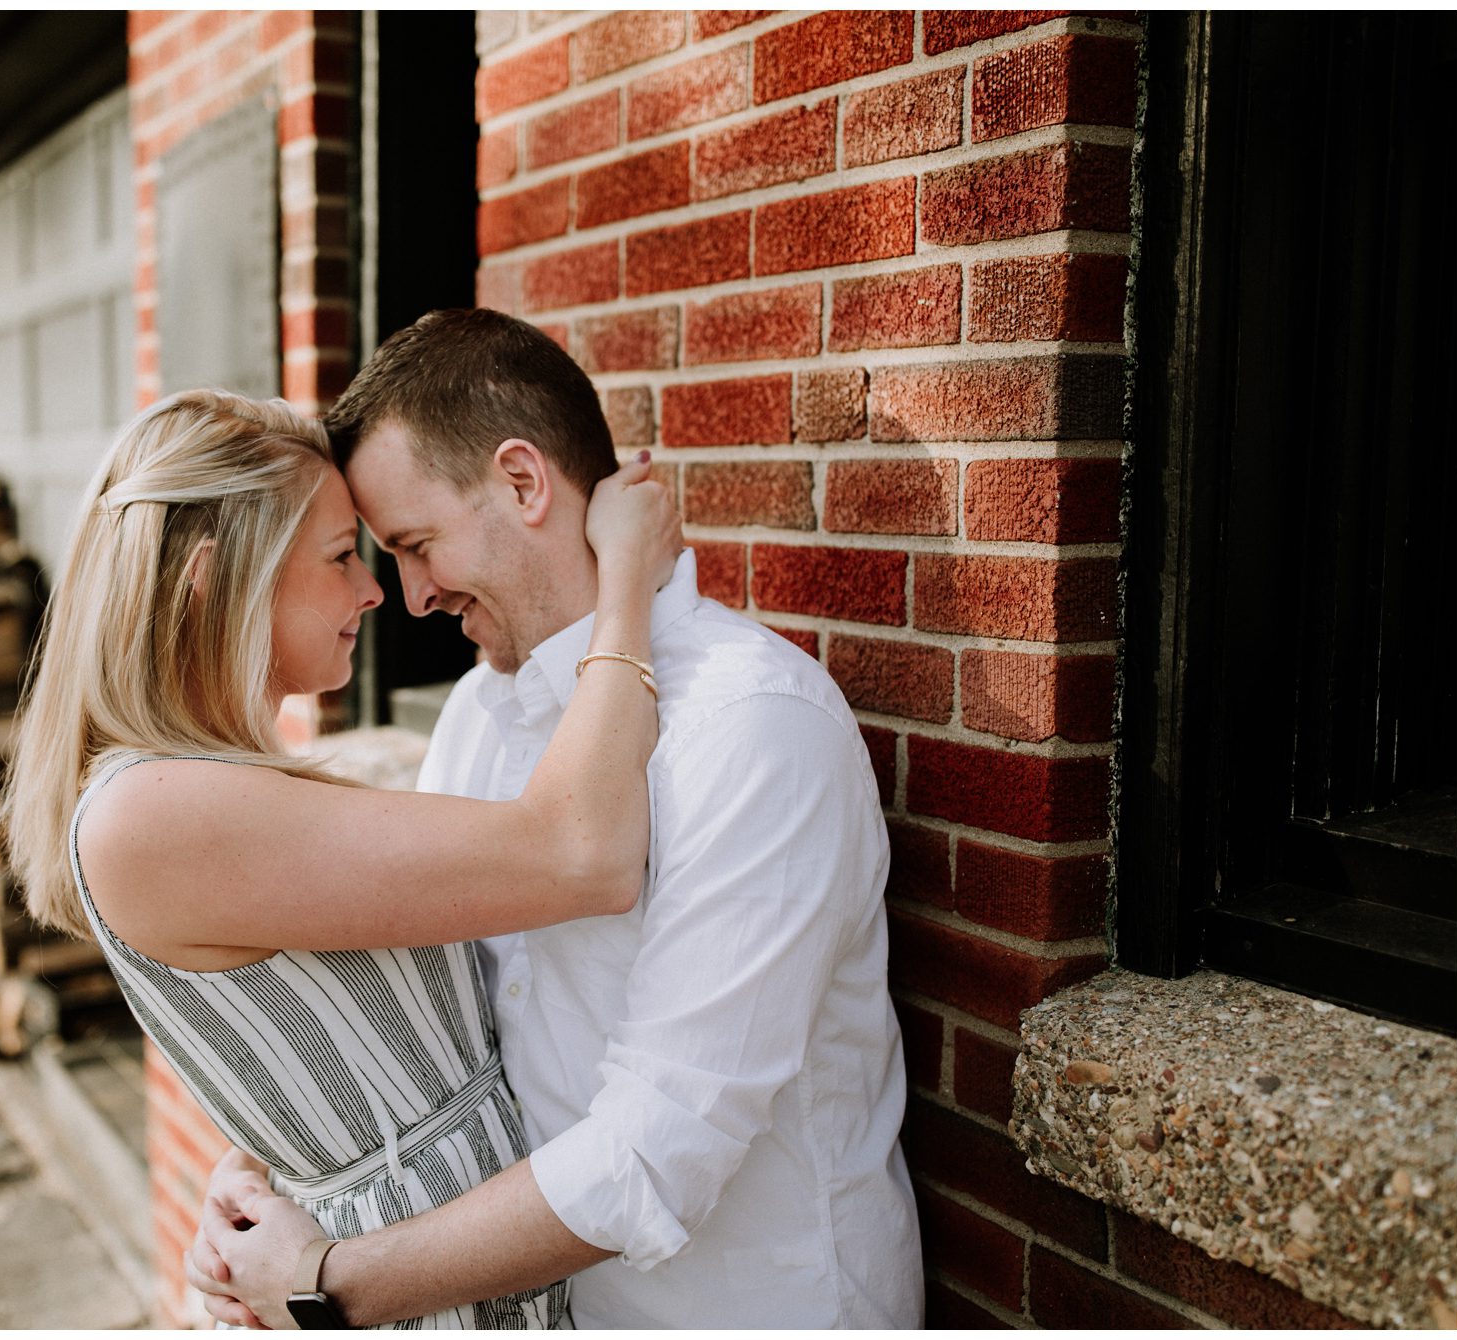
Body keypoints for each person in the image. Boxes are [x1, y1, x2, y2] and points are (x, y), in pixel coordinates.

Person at [188, 309, 923, 1328]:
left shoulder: (754, 726)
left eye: (415, 545)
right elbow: (436, 1023)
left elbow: (660, 1147)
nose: (410, 596)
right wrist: (266, 1181)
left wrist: (326, 1281)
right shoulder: (477, 713)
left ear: (523, 482)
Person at [0, 388, 682, 1329]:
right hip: (411, 1299)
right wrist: (625, 586)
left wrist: (263, 1159)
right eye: (339, 555)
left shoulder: (198, 793)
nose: (374, 591)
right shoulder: (155, 812)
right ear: (213, 578)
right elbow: (583, 854)